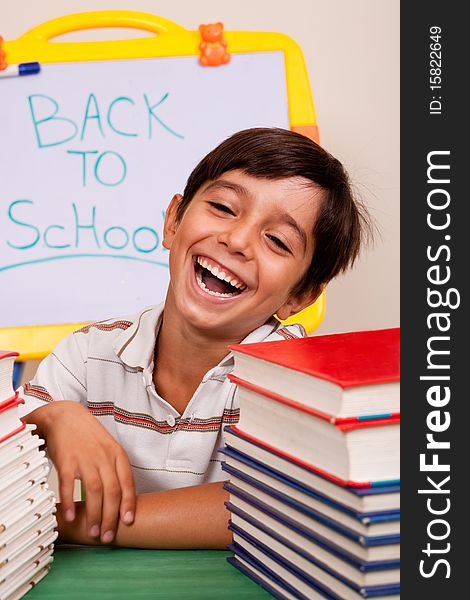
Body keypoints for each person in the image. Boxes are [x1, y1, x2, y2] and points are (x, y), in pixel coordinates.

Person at [19, 127, 372, 549]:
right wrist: (55, 417)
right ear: (173, 220)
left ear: (301, 295)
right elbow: (10, 439)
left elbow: (269, 505)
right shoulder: (90, 354)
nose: (237, 240)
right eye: (223, 207)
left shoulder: (292, 376)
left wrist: (72, 523)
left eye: (277, 240)